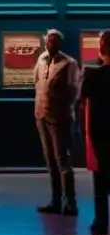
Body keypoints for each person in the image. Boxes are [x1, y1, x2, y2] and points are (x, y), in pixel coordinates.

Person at [34, 28, 81, 217]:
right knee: (50, 162)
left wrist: (63, 108)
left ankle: (70, 203)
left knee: (63, 161)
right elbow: (36, 83)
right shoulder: (41, 59)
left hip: (60, 118)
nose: (50, 44)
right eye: (48, 40)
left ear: (60, 43)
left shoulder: (69, 64)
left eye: (54, 41)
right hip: (42, 116)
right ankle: (55, 200)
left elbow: (75, 92)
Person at [82, 30, 110, 235]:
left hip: (100, 134)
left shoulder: (93, 74)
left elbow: (82, 101)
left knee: (100, 182)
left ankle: (101, 223)